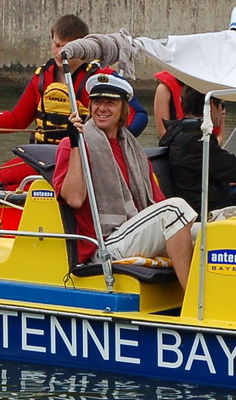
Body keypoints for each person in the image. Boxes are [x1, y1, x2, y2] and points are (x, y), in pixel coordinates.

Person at [0, 14, 146, 187]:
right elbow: (17, 120)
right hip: (42, 155)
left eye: (66, 47)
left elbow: (139, 115)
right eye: (56, 45)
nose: (60, 53)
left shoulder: (100, 78)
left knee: (31, 188)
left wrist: (110, 142)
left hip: (79, 157)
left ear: (82, 47)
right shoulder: (43, 77)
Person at [56, 73, 196, 277]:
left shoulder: (133, 149)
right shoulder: (73, 144)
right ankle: (190, 296)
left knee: (207, 232)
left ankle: (219, 294)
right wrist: (76, 145)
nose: (102, 108)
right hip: (103, 243)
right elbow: (74, 199)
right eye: (97, 102)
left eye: (110, 103)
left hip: (133, 232)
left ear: (123, 109)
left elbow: (156, 201)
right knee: (176, 209)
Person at [160, 85, 236, 212]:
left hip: (212, 204)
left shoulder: (183, 134)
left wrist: (222, 181)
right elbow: (235, 168)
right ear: (211, 104)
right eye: (222, 105)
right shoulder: (196, 140)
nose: (224, 112)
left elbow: (214, 169)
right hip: (210, 212)